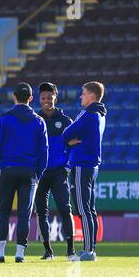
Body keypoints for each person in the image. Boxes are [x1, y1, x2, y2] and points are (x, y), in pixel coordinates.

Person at [0, 82, 48, 263]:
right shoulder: (38, 121)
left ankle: (0, 254)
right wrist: (39, 173)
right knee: (24, 215)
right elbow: (44, 151)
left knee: (3, 213)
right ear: (31, 98)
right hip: (29, 172)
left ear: (14, 97)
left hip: (8, 170)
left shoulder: (4, 118)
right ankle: (20, 254)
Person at [62, 81, 107, 261]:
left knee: (83, 209)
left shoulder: (88, 114)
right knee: (90, 209)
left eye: (83, 93)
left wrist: (68, 141)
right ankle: (91, 248)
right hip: (92, 165)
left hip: (82, 164)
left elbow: (66, 133)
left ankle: (89, 251)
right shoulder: (101, 114)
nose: (80, 96)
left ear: (91, 96)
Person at [35, 82, 77, 261]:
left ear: (55, 98)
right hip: (40, 174)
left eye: (49, 97)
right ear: (39, 99)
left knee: (65, 209)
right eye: (43, 98)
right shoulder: (35, 120)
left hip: (59, 172)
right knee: (41, 212)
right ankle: (48, 251)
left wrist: (68, 166)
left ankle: (70, 251)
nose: (46, 101)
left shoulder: (66, 121)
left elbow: (75, 145)